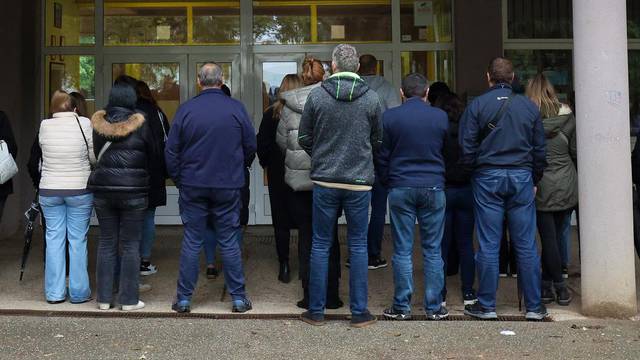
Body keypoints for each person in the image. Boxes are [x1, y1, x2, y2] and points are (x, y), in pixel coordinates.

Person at [298, 44, 382, 328]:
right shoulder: (371, 99)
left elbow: (303, 137)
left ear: (333, 66)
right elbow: (378, 140)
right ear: (356, 67)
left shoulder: (317, 97)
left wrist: (322, 156)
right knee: (358, 246)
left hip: (325, 180)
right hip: (359, 182)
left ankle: (317, 311)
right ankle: (359, 313)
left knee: (321, 244)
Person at [459, 57, 548, 320]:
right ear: (513, 77)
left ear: (488, 77)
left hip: (487, 177)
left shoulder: (476, 106)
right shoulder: (529, 107)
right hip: (521, 176)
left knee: (488, 243)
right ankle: (534, 307)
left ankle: (487, 306)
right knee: (526, 244)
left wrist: (473, 173)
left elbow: (467, 147)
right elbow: (540, 151)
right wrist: (534, 179)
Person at [166, 62, 256, 313]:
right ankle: (238, 298)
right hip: (228, 184)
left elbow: (171, 151)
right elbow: (250, 145)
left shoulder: (186, 111)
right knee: (228, 239)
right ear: (222, 79)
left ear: (198, 80)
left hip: (193, 184)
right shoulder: (236, 109)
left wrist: (180, 180)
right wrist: (239, 168)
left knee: (192, 240)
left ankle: (184, 299)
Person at [378, 73, 449, 320]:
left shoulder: (390, 117)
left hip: (401, 186)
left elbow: (382, 155)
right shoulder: (440, 117)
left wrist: (389, 181)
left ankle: (401, 307)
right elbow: (447, 152)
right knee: (432, 249)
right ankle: (434, 307)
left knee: (403, 249)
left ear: (401, 92)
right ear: (427, 92)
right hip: (433, 186)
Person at [277, 58, 344, 309]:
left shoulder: (288, 106)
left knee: (307, 238)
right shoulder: (333, 101)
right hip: (329, 179)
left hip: (299, 183)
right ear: (323, 76)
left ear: (303, 77)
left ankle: (310, 295)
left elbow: (282, 142)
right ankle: (332, 295)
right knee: (331, 238)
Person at [89, 82, 156, 311]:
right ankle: (128, 300)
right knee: (131, 245)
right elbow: (153, 153)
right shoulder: (142, 123)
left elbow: (94, 153)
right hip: (134, 191)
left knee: (106, 243)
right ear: (131, 100)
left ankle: (104, 300)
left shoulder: (98, 124)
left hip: (103, 191)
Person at [39, 90, 94, 304]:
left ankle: (54, 293)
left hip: (49, 190)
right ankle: (79, 293)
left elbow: (44, 154)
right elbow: (92, 155)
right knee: (77, 240)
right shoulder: (84, 123)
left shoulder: (44, 125)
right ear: (74, 107)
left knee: (53, 239)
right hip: (79, 188)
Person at [526, 73, 577, 306]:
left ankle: (555, 287)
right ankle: (553, 286)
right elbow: (575, 152)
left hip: (541, 183)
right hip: (566, 182)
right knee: (557, 237)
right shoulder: (568, 118)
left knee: (547, 239)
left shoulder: (527, 119)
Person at [358, 54, 401, 270]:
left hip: (356, 153)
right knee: (377, 207)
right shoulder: (387, 88)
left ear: (358, 68)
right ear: (376, 67)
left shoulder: (352, 88)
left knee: (355, 204)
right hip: (382, 152)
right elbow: (394, 121)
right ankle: (373, 254)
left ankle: (357, 254)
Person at [257, 74, 302, 283]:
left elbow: (262, 145)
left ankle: (284, 264)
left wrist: (267, 164)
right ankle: (305, 265)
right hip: (303, 174)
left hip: (278, 174)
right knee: (306, 222)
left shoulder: (271, 114)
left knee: (280, 222)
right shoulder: (308, 112)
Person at [435, 92, 477, 306]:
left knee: (442, 244)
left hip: (444, 189)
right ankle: (468, 292)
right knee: (466, 243)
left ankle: (440, 294)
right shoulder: (468, 132)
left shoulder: (439, 133)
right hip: (466, 190)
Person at [134, 80, 171, 277]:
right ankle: (144, 261)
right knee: (148, 217)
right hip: (153, 172)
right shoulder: (157, 112)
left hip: (131, 173)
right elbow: (168, 142)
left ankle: (128, 260)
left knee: (129, 218)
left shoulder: (127, 114)